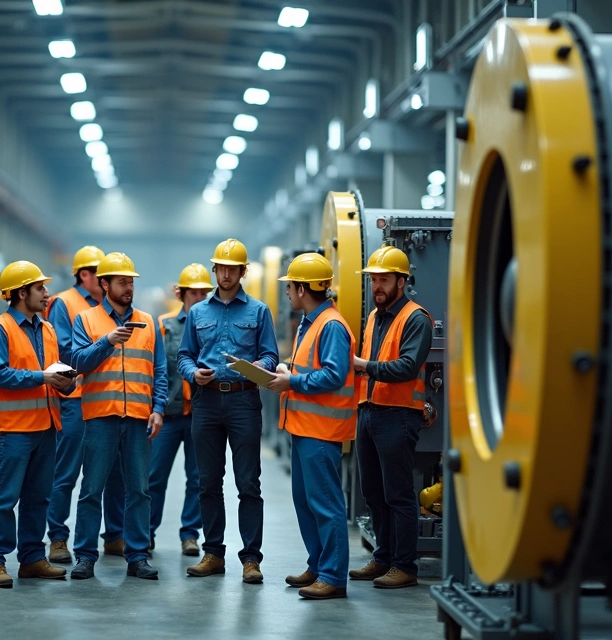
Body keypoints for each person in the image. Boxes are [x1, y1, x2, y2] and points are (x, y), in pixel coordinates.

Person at [177, 238, 278, 584]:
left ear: (242, 272)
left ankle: (251, 559)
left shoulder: (259, 311)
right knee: (208, 482)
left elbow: (270, 356)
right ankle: (213, 553)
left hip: (243, 401)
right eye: (221, 268)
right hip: (205, 402)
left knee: (248, 483)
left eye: (233, 269)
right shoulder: (197, 312)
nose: (226, 274)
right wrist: (193, 374)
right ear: (214, 269)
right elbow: (184, 355)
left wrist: (252, 367)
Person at [69, 253, 167, 581]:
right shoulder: (86, 320)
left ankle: (137, 556)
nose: (129, 288)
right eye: (122, 282)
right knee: (92, 488)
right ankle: (85, 555)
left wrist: (158, 408)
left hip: (139, 417)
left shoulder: (149, 322)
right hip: (101, 416)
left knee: (139, 489)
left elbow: (160, 370)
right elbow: (79, 362)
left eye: (131, 282)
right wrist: (107, 341)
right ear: (104, 284)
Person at [266, 254, 356, 600]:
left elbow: (333, 375)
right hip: (304, 428)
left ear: (302, 288)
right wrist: (287, 371)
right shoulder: (311, 322)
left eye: (289, 286)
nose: (287, 292)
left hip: (321, 432)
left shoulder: (330, 325)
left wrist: (293, 382)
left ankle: (333, 577)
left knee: (325, 504)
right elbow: (312, 366)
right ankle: (318, 565)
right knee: (305, 501)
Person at [0, 261, 73, 588]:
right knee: (5, 497)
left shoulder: (46, 328)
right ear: (21, 293)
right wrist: (43, 377)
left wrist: (64, 382)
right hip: (13, 429)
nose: (47, 293)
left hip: (45, 425)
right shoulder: (1, 328)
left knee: (38, 497)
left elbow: (51, 370)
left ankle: (32, 558)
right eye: (40, 288)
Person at [350, 246, 434, 589]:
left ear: (402, 281)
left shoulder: (416, 318)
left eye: (384, 280)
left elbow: (406, 367)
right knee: (373, 491)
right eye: (373, 280)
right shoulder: (374, 317)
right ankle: (383, 558)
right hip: (369, 412)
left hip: (398, 416)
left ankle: (405, 566)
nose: (377, 287)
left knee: (398, 494)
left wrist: (363, 366)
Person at [44, 245, 127, 564]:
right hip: (76, 399)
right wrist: (101, 347)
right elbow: (65, 351)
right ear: (84, 275)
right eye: (101, 275)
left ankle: (115, 535)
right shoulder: (65, 303)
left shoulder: (109, 306)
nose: (107, 281)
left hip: (108, 401)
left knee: (114, 472)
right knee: (67, 472)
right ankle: (58, 538)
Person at [149, 264, 211, 557]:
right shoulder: (165, 325)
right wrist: (156, 407)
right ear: (180, 293)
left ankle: (190, 535)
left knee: (197, 478)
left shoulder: (214, 325)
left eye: (203, 292)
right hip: (170, 413)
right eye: (193, 292)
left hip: (202, 414)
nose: (199, 297)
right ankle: (145, 532)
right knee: (154, 476)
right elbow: (157, 369)